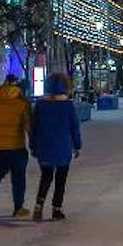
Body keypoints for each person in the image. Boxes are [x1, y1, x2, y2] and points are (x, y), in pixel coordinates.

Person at [0, 73, 32, 228]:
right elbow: (28, 126)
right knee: (18, 179)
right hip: (16, 147)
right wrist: (34, 143)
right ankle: (18, 207)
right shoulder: (22, 104)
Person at [30, 72, 81, 222]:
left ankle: (39, 204)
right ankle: (56, 209)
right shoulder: (68, 105)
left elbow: (34, 127)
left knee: (46, 177)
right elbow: (74, 127)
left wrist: (33, 146)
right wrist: (77, 145)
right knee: (60, 179)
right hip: (63, 147)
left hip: (44, 146)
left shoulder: (40, 105)